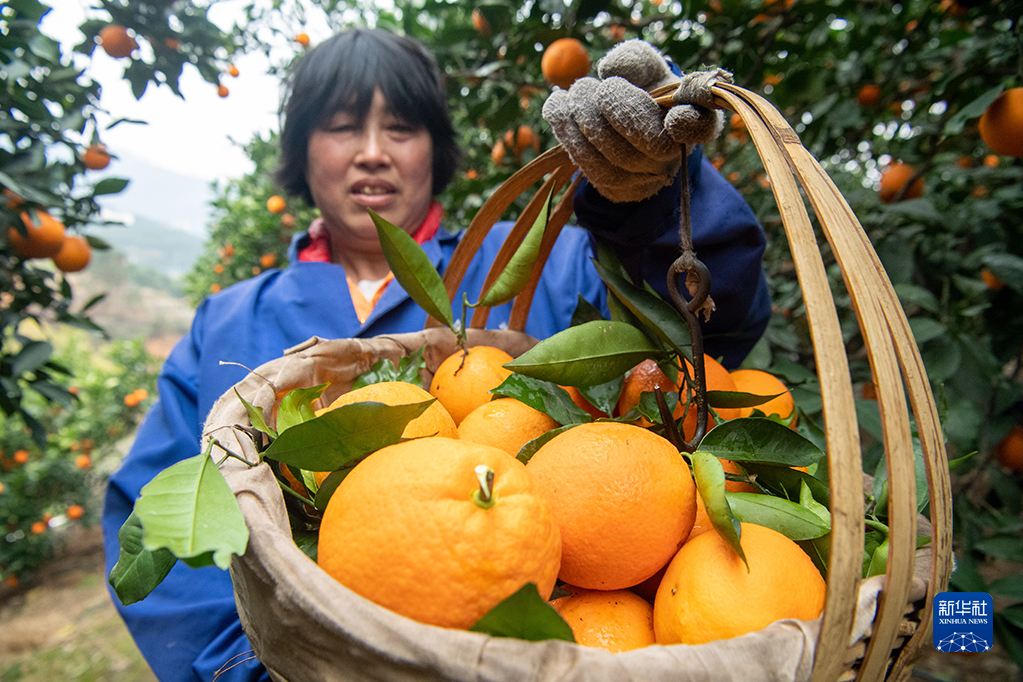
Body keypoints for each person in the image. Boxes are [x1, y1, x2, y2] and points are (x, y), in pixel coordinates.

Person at [102, 28, 771, 682]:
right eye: (339, 127)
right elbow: (159, 524)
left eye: (400, 128)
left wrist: (650, 201)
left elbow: (701, 336)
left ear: (434, 148)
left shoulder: (538, 256)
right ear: (302, 150)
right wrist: (249, 665)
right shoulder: (229, 319)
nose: (372, 153)